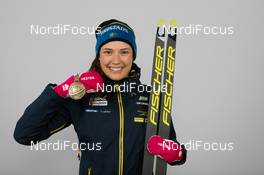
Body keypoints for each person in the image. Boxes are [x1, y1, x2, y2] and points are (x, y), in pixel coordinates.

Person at [14, 19, 186, 175]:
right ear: (99, 56)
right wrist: (59, 92)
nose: (116, 60)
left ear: (133, 56)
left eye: (124, 52)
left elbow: (172, 147)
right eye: (108, 52)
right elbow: (24, 134)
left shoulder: (151, 98)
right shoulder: (81, 99)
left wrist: (177, 154)